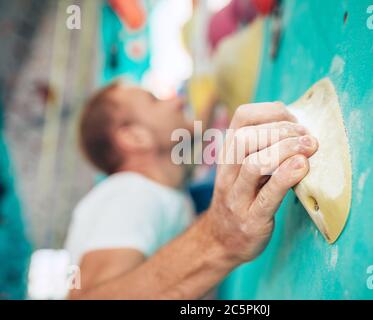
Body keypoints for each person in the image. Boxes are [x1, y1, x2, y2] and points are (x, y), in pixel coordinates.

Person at [65, 81, 318, 299]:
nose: (178, 100)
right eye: (154, 100)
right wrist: (220, 238)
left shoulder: (153, 192)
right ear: (134, 137)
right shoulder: (130, 194)